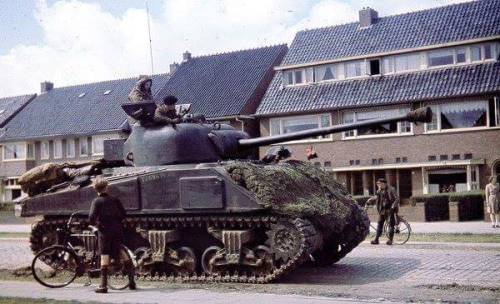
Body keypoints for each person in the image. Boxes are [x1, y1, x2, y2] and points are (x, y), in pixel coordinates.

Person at [89, 177, 136, 293]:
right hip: (117, 230)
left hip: (104, 232)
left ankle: (103, 286)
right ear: (107, 187)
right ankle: (132, 282)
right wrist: (116, 222)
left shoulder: (96, 201)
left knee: (104, 255)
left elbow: (91, 217)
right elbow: (124, 214)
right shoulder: (115, 199)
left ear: (95, 189)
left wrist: (96, 225)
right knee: (121, 251)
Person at [370, 178, 400, 245]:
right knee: (379, 224)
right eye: (377, 184)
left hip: (390, 210)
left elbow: (397, 199)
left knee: (390, 225)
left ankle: (390, 240)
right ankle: (376, 240)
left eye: (379, 184)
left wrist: (393, 206)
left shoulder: (391, 189)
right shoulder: (379, 190)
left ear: (384, 183)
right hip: (382, 210)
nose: (378, 185)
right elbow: (377, 197)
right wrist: (370, 199)